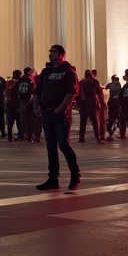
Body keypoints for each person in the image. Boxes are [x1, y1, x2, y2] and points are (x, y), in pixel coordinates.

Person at [34, 45, 80, 190]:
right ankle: (53, 178)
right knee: (50, 147)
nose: (50, 54)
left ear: (61, 55)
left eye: (53, 52)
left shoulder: (68, 71)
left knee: (64, 145)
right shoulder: (46, 71)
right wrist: (36, 106)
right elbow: (38, 91)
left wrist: (62, 108)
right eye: (50, 52)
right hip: (47, 112)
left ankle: (75, 175)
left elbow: (71, 92)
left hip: (60, 114)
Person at [77, 70, 104, 144]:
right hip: (92, 103)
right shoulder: (94, 82)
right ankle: (98, 138)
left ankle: (81, 137)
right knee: (95, 122)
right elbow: (99, 91)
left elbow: (77, 93)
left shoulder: (81, 82)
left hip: (83, 103)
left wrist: (79, 104)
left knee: (83, 122)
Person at [17, 68, 37, 143]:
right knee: (30, 119)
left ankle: (21, 135)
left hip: (22, 101)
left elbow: (17, 91)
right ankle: (29, 134)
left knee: (23, 119)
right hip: (29, 101)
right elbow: (33, 91)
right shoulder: (30, 81)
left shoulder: (20, 81)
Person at [105, 74, 122, 139]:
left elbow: (106, 87)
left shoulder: (110, 84)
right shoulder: (118, 85)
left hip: (111, 101)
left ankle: (110, 129)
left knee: (111, 115)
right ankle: (118, 128)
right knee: (118, 115)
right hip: (117, 102)